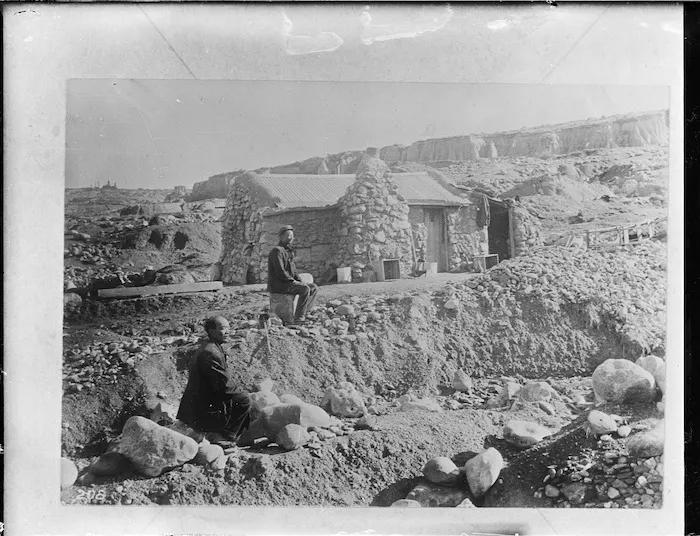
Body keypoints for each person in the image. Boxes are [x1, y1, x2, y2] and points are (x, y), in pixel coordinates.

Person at [176, 316, 252, 447]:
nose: (228, 331)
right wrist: (242, 392)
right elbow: (224, 386)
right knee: (245, 400)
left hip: (202, 402)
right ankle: (223, 437)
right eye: (223, 328)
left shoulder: (213, 347)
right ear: (211, 331)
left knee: (240, 397)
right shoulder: (210, 353)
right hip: (201, 410)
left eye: (228, 328)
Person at [267, 225, 318, 325]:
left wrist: (300, 281)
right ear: (281, 237)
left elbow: (293, 271)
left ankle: (305, 312)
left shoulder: (288, 251)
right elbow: (280, 272)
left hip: (287, 283)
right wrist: (293, 281)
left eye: (292, 236)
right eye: (288, 235)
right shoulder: (277, 251)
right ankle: (299, 318)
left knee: (313, 287)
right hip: (279, 285)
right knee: (304, 289)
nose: (290, 238)